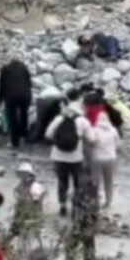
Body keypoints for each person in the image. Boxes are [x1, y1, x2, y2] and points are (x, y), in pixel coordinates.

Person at [44, 89, 92, 217]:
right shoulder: (82, 120)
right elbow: (92, 139)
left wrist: (58, 138)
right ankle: (76, 205)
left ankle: (62, 205)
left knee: (62, 181)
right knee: (77, 182)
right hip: (76, 157)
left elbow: (48, 134)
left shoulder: (59, 118)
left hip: (58, 156)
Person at [60, 166, 99, 260]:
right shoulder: (79, 189)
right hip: (77, 223)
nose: (81, 179)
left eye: (83, 176)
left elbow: (92, 209)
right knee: (70, 245)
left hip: (87, 224)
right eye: (80, 176)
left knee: (88, 252)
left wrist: (90, 227)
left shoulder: (91, 190)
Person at [83, 93, 119, 210]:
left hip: (96, 157)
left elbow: (90, 140)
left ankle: (95, 201)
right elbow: (118, 144)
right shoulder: (113, 130)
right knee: (109, 181)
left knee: (95, 181)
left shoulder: (93, 126)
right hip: (111, 157)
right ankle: (108, 202)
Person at [5, 162, 46, 247]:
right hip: (20, 213)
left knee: (32, 236)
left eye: (24, 174)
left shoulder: (35, 186)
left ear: (29, 174)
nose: (22, 176)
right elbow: (17, 195)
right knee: (14, 232)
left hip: (31, 215)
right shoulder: (21, 185)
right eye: (21, 174)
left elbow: (36, 203)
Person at [0, 59, 32, 149]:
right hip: (25, 95)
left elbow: (1, 86)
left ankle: (15, 141)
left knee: (12, 118)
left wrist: (0, 100)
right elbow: (29, 83)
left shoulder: (5, 69)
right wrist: (29, 98)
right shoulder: (24, 68)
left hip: (11, 96)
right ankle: (25, 135)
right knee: (24, 115)